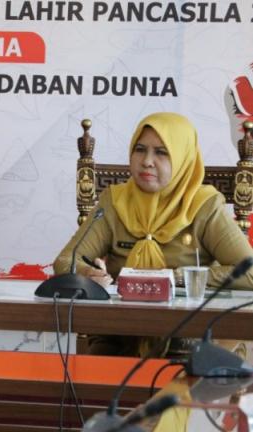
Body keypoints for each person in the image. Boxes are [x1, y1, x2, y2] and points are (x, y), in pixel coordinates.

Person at [53, 112, 253, 357]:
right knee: (90, 378)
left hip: (190, 338)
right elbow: (65, 261)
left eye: (161, 152)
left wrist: (179, 278)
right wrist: (89, 274)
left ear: (182, 159)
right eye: (140, 149)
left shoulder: (204, 206)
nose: (147, 161)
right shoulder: (115, 201)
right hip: (120, 335)